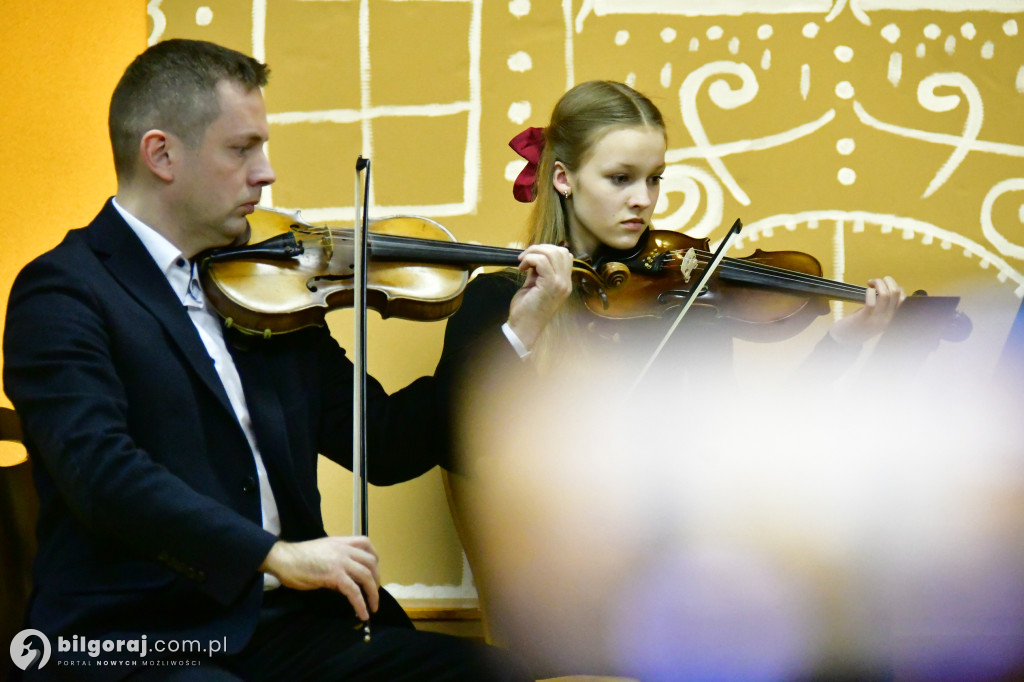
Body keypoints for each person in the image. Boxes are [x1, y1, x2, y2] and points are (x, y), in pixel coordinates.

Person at [2, 39, 546, 681]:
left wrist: (514, 335)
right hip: (137, 636)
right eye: (242, 148)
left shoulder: (265, 290)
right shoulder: (64, 292)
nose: (266, 173)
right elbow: (99, 474)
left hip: (287, 629)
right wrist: (273, 554)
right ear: (161, 154)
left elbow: (388, 443)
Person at [433, 80, 907, 679]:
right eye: (620, 178)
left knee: (855, 645)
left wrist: (843, 344)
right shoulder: (498, 301)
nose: (643, 200)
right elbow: (456, 442)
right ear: (563, 178)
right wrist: (531, 325)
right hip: (578, 591)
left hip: (691, 575)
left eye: (654, 179)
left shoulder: (681, 295)